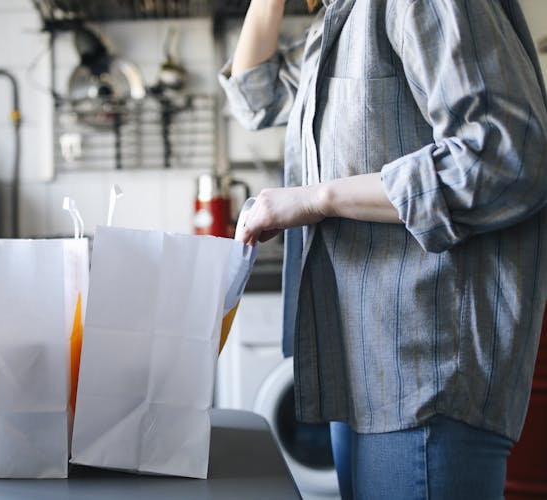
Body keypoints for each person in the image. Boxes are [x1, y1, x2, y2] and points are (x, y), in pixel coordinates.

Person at [221, 0, 547, 498]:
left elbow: (508, 157)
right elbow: (255, 96)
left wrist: (317, 198)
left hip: (426, 370)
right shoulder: (338, 19)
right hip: (360, 362)